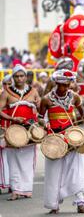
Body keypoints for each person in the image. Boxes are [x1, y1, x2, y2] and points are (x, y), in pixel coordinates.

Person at [39, 70, 84, 214]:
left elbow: (83, 113)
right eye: (62, 85)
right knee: (53, 172)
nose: (65, 87)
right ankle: (53, 204)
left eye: (67, 84)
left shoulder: (74, 97)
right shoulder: (46, 99)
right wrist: (44, 123)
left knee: (77, 169)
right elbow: (39, 117)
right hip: (55, 139)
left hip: (72, 138)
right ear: (57, 83)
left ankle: (80, 202)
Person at [0, 65, 40, 200]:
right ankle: (16, 190)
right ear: (13, 77)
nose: (19, 78)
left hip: (30, 130)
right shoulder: (6, 92)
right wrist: (12, 118)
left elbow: (41, 108)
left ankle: (27, 189)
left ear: (26, 77)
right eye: (16, 76)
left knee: (28, 161)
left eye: (22, 76)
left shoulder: (33, 91)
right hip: (13, 131)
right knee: (13, 160)